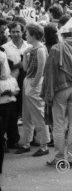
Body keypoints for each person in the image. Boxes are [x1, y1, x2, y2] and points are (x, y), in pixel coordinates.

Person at [42, 17, 72, 166]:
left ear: (63, 34)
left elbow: (49, 73)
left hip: (60, 89)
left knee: (58, 125)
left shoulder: (57, 48)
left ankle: (59, 157)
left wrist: (47, 94)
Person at [12, 23, 50, 156]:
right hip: (29, 81)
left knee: (38, 115)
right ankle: (27, 143)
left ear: (33, 35)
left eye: (27, 33)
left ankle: (44, 145)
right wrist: (25, 55)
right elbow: (26, 68)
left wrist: (34, 84)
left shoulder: (40, 49)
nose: (25, 35)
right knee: (26, 114)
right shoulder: (33, 48)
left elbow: (41, 69)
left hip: (35, 83)